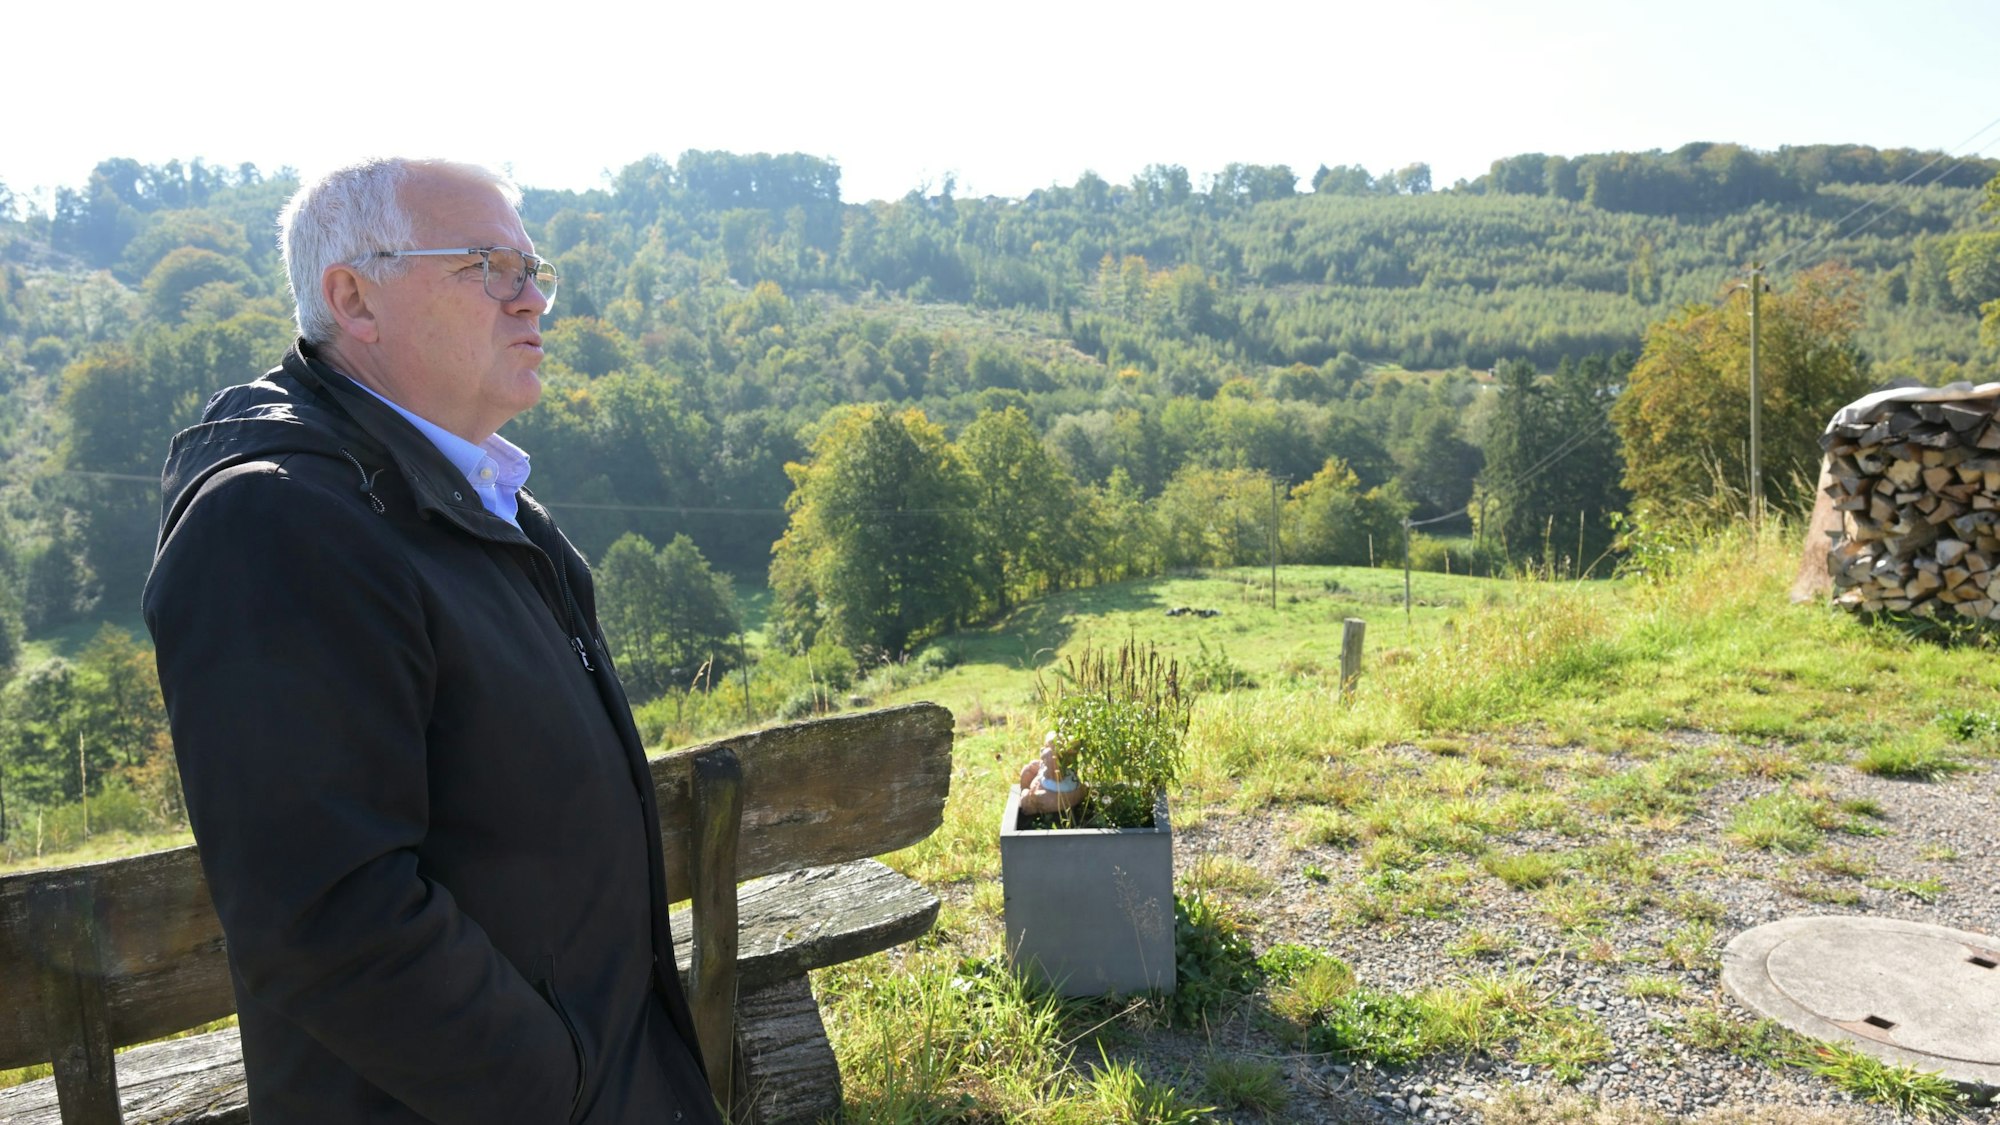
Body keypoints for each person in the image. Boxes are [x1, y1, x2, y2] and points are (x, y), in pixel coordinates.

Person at [142, 158, 721, 1124]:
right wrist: (563, 1091)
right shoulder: (277, 523)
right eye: (488, 265)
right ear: (354, 298)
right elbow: (331, 917)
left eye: (533, 266)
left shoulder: (477, 498)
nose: (533, 296)